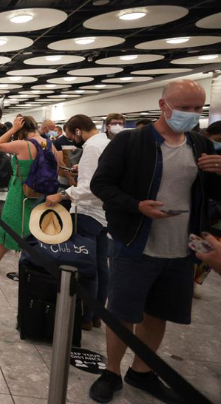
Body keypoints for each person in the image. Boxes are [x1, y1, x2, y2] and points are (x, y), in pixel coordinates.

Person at [89, 80, 221, 404]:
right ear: (164, 106)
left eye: (198, 109)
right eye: (185, 107)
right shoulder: (130, 143)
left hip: (182, 248)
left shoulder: (201, 144)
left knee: (157, 314)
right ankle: (111, 370)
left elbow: (213, 197)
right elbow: (101, 184)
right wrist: (137, 205)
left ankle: (142, 370)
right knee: (121, 311)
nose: (192, 114)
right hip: (135, 243)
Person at [45, 115, 110, 330]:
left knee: (86, 266)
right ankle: (97, 313)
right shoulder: (105, 142)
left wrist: (62, 194)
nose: (72, 139)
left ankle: (85, 316)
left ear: (79, 131)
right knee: (101, 265)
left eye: (72, 134)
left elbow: (90, 188)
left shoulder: (91, 148)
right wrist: (80, 171)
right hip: (103, 214)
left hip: (87, 212)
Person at [0, 116, 60, 263]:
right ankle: (28, 264)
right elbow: (57, 166)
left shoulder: (23, 144)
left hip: (20, 191)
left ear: (21, 129)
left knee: (10, 227)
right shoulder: (48, 143)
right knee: (34, 228)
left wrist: (13, 128)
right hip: (42, 192)